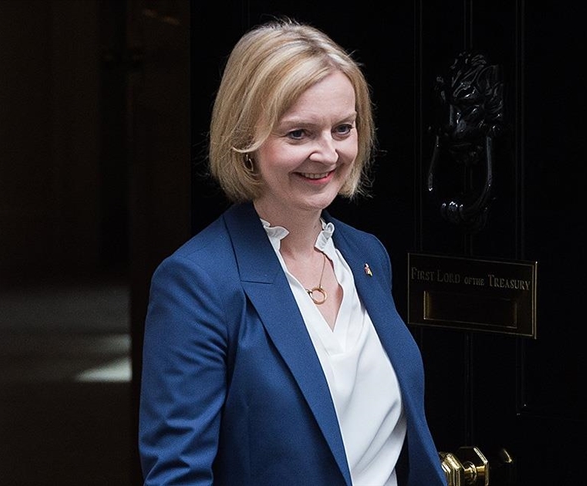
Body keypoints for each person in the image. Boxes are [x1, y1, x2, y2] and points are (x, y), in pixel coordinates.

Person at [138, 18, 446, 486]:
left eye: (342, 128)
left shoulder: (367, 255)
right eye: (298, 133)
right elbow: (177, 476)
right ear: (246, 139)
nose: (328, 154)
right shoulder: (196, 281)